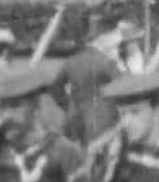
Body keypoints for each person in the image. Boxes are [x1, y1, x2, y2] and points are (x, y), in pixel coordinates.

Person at [57, 18, 136, 149]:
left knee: (86, 151)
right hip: (104, 115)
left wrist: (67, 105)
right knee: (104, 153)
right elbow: (123, 86)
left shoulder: (70, 62)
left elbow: (56, 88)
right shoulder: (105, 62)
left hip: (78, 114)